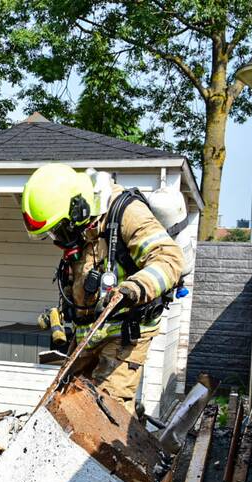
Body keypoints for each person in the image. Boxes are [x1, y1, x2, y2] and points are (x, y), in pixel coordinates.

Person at [21, 163, 186, 413]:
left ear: (79, 208)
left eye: (60, 230)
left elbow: (169, 259)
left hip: (127, 330)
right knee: (65, 399)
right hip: (91, 331)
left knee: (105, 407)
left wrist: (135, 287)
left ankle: (116, 447)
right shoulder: (84, 229)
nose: (59, 240)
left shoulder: (127, 213)